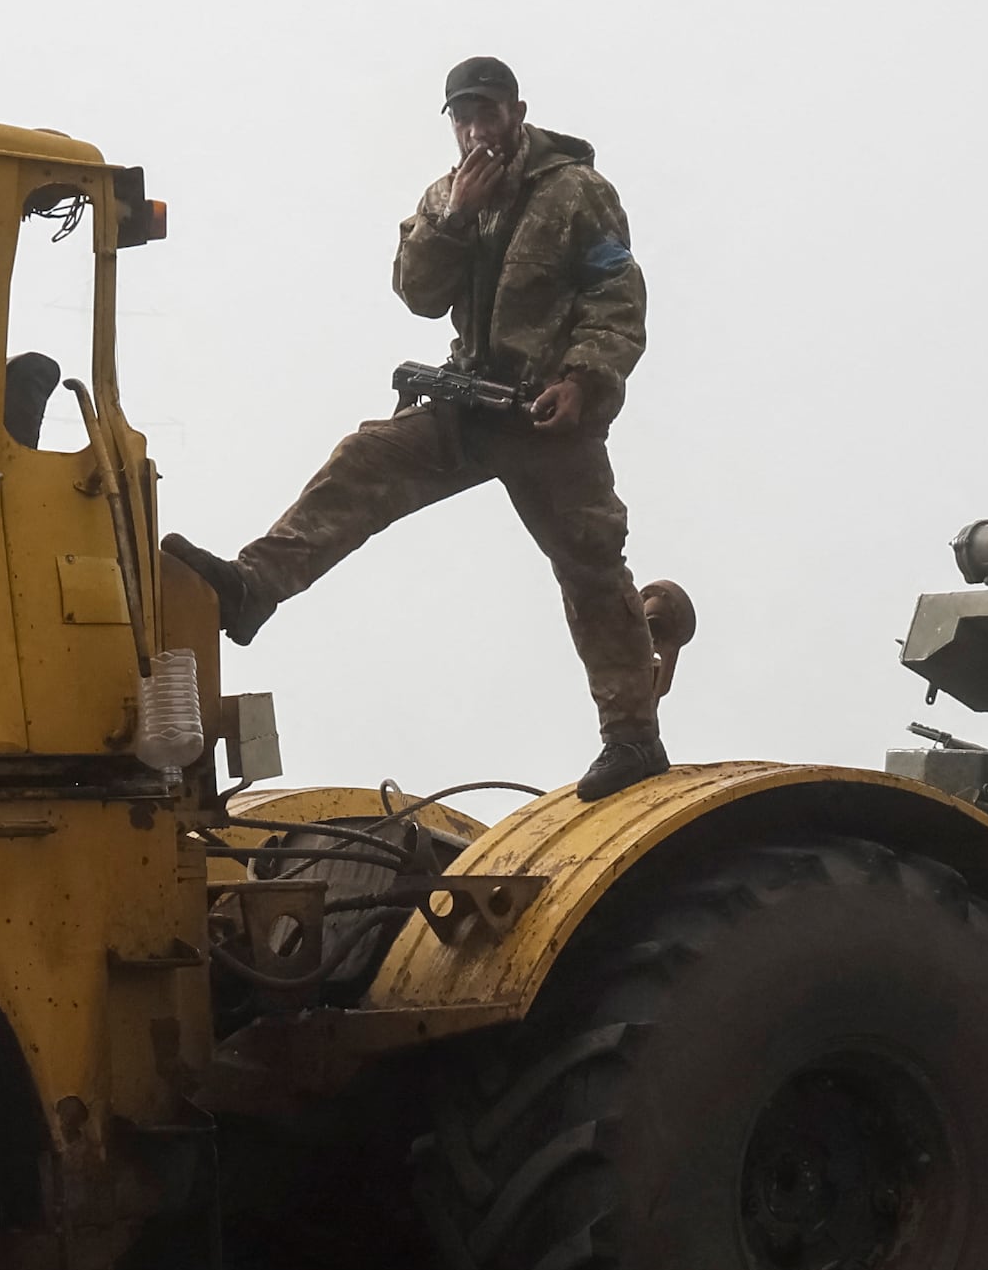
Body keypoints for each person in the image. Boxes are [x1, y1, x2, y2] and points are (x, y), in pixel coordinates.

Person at [166, 57, 675, 798]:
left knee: (592, 563)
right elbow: (417, 292)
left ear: (517, 112)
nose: (475, 129)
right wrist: (454, 217)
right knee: (364, 461)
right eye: (463, 117)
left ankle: (633, 737)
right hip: (467, 408)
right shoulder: (447, 197)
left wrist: (583, 379)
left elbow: (616, 294)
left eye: (488, 113)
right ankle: (252, 587)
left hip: (547, 416)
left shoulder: (577, 194)